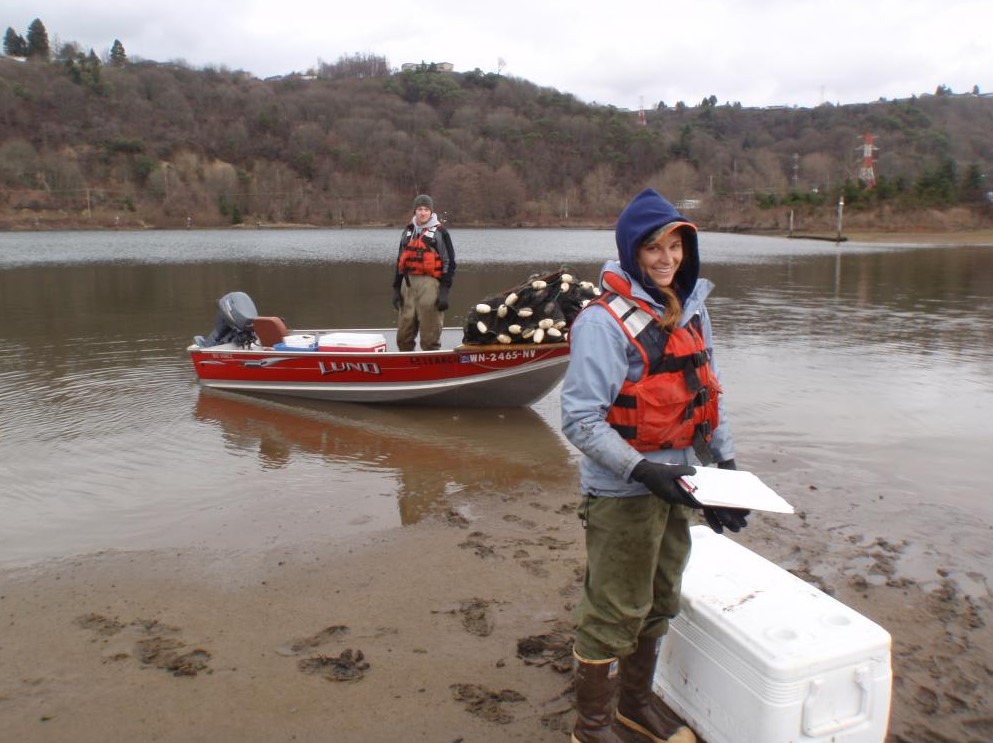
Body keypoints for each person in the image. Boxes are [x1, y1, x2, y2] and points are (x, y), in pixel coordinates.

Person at [560, 188, 749, 743]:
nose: (667, 259)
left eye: (676, 246)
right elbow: (580, 421)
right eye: (653, 248)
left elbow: (707, 397)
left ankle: (635, 706)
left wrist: (728, 468)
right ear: (630, 252)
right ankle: (591, 727)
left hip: (680, 484)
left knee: (662, 598)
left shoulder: (693, 310)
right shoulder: (601, 323)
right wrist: (643, 472)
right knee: (614, 610)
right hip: (623, 493)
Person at [391, 194, 456, 351]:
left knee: (429, 335)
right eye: (419, 209)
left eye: (426, 209)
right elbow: (400, 261)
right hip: (407, 286)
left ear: (431, 212)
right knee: (403, 336)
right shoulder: (407, 232)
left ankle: (431, 364)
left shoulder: (441, 233)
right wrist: (395, 288)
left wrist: (444, 292)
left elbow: (450, 263)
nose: (422, 213)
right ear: (415, 211)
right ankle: (407, 367)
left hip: (430, 285)